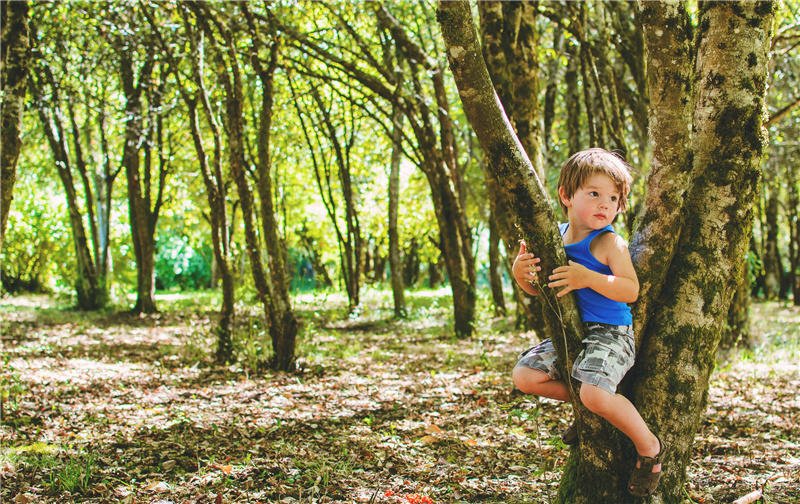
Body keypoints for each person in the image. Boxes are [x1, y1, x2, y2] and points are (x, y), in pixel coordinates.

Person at [511, 148, 665, 497]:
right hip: (572, 332)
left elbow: (630, 290)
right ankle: (592, 408)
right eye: (594, 194)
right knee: (525, 376)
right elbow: (539, 290)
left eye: (613, 197)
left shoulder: (611, 242)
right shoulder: (555, 237)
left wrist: (588, 278)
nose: (604, 204)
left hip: (611, 334)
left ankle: (649, 446)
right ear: (566, 195)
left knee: (593, 391)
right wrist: (520, 273)